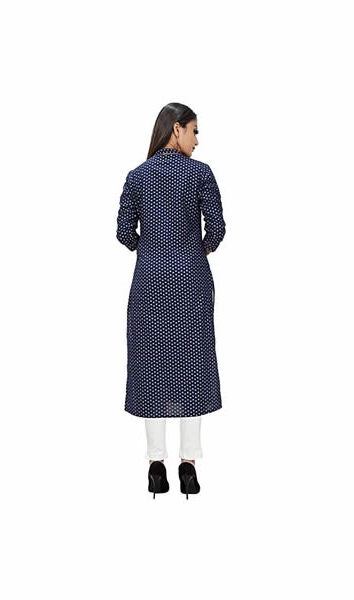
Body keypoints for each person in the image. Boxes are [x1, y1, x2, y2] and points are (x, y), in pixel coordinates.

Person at [116, 102, 226, 499]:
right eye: (194, 130)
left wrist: (150, 251)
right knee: (192, 362)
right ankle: (189, 464)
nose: (197, 140)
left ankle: (155, 465)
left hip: (149, 282)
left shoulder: (136, 177)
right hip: (191, 280)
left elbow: (123, 232)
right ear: (176, 129)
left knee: (151, 364)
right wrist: (196, 252)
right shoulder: (200, 173)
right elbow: (217, 229)